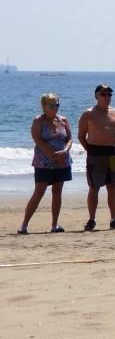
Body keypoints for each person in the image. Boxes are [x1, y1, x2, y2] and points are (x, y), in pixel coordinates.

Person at [18, 93, 73, 234]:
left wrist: (65, 151)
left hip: (62, 161)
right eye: (51, 105)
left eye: (57, 105)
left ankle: (54, 225)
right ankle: (24, 225)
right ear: (44, 106)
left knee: (57, 192)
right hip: (43, 162)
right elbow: (37, 140)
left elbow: (69, 139)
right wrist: (53, 154)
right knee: (39, 192)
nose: (55, 108)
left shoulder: (63, 120)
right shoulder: (38, 121)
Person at [78, 84, 115, 230]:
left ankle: (114, 219)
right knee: (94, 187)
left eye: (109, 94)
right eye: (103, 94)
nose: (106, 97)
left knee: (113, 187)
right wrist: (90, 151)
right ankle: (91, 219)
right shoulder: (88, 114)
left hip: (113, 153)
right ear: (96, 96)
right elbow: (81, 136)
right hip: (95, 153)